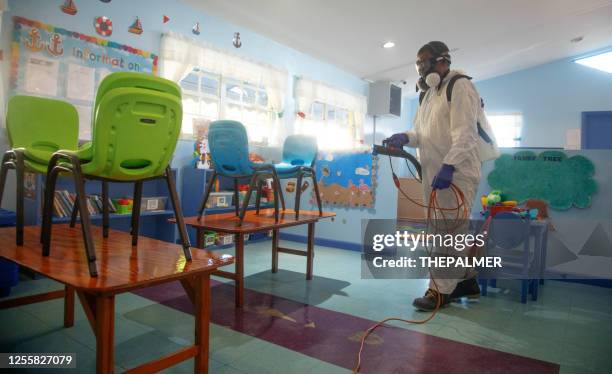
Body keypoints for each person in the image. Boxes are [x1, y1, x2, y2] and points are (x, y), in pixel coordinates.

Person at [385, 41, 483, 311]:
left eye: (424, 63)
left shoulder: (460, 86)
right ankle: (466, 281)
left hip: (457, 175)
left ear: (442, 62)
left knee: (445, 235)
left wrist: (450, 166)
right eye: (418, 64)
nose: (421, 70)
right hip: (433, 173)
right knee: (443, 232)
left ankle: (439, 292)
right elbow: (421, 134)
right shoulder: (428, 94)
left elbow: (465, 134)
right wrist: (405, 137)